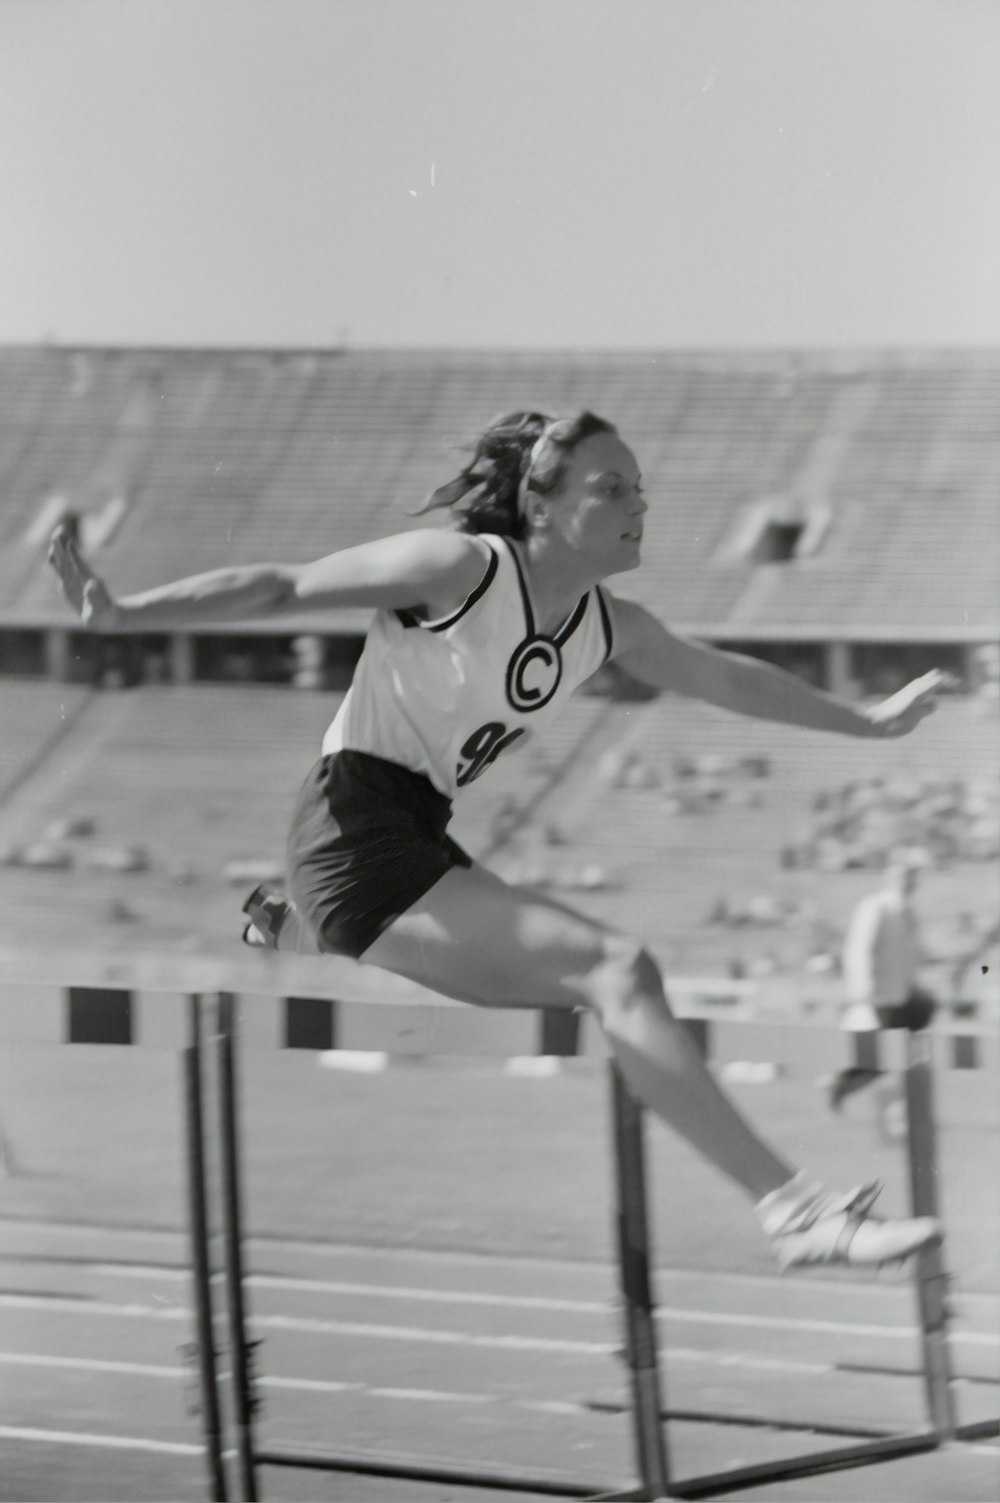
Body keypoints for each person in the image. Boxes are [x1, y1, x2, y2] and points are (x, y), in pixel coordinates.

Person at [49, 408, 949, 1272]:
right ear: (546, 507)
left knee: (578, 983)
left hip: (418, 837)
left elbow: (730, 680)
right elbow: (286, 583)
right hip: (353, 825)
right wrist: (125, 613)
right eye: (614, 488)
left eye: (641, 487)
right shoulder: (460, 569)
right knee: (616, 970)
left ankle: (295, 923)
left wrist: (867, 724)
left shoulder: (609, 626)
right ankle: (797, 1213)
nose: (641, 505)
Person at [829, 855, 936, 1112]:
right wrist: (863, 989)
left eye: (912, 878)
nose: (909, 883)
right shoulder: (875, 907)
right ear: (891, 879)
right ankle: (840, 1085)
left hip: (902, 996)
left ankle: (850, 1087)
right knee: (877, 1059)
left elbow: (914, 956)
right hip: (879, 998)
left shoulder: (909, 914)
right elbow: (858, 949)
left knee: (896, 1054)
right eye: (904, 877)